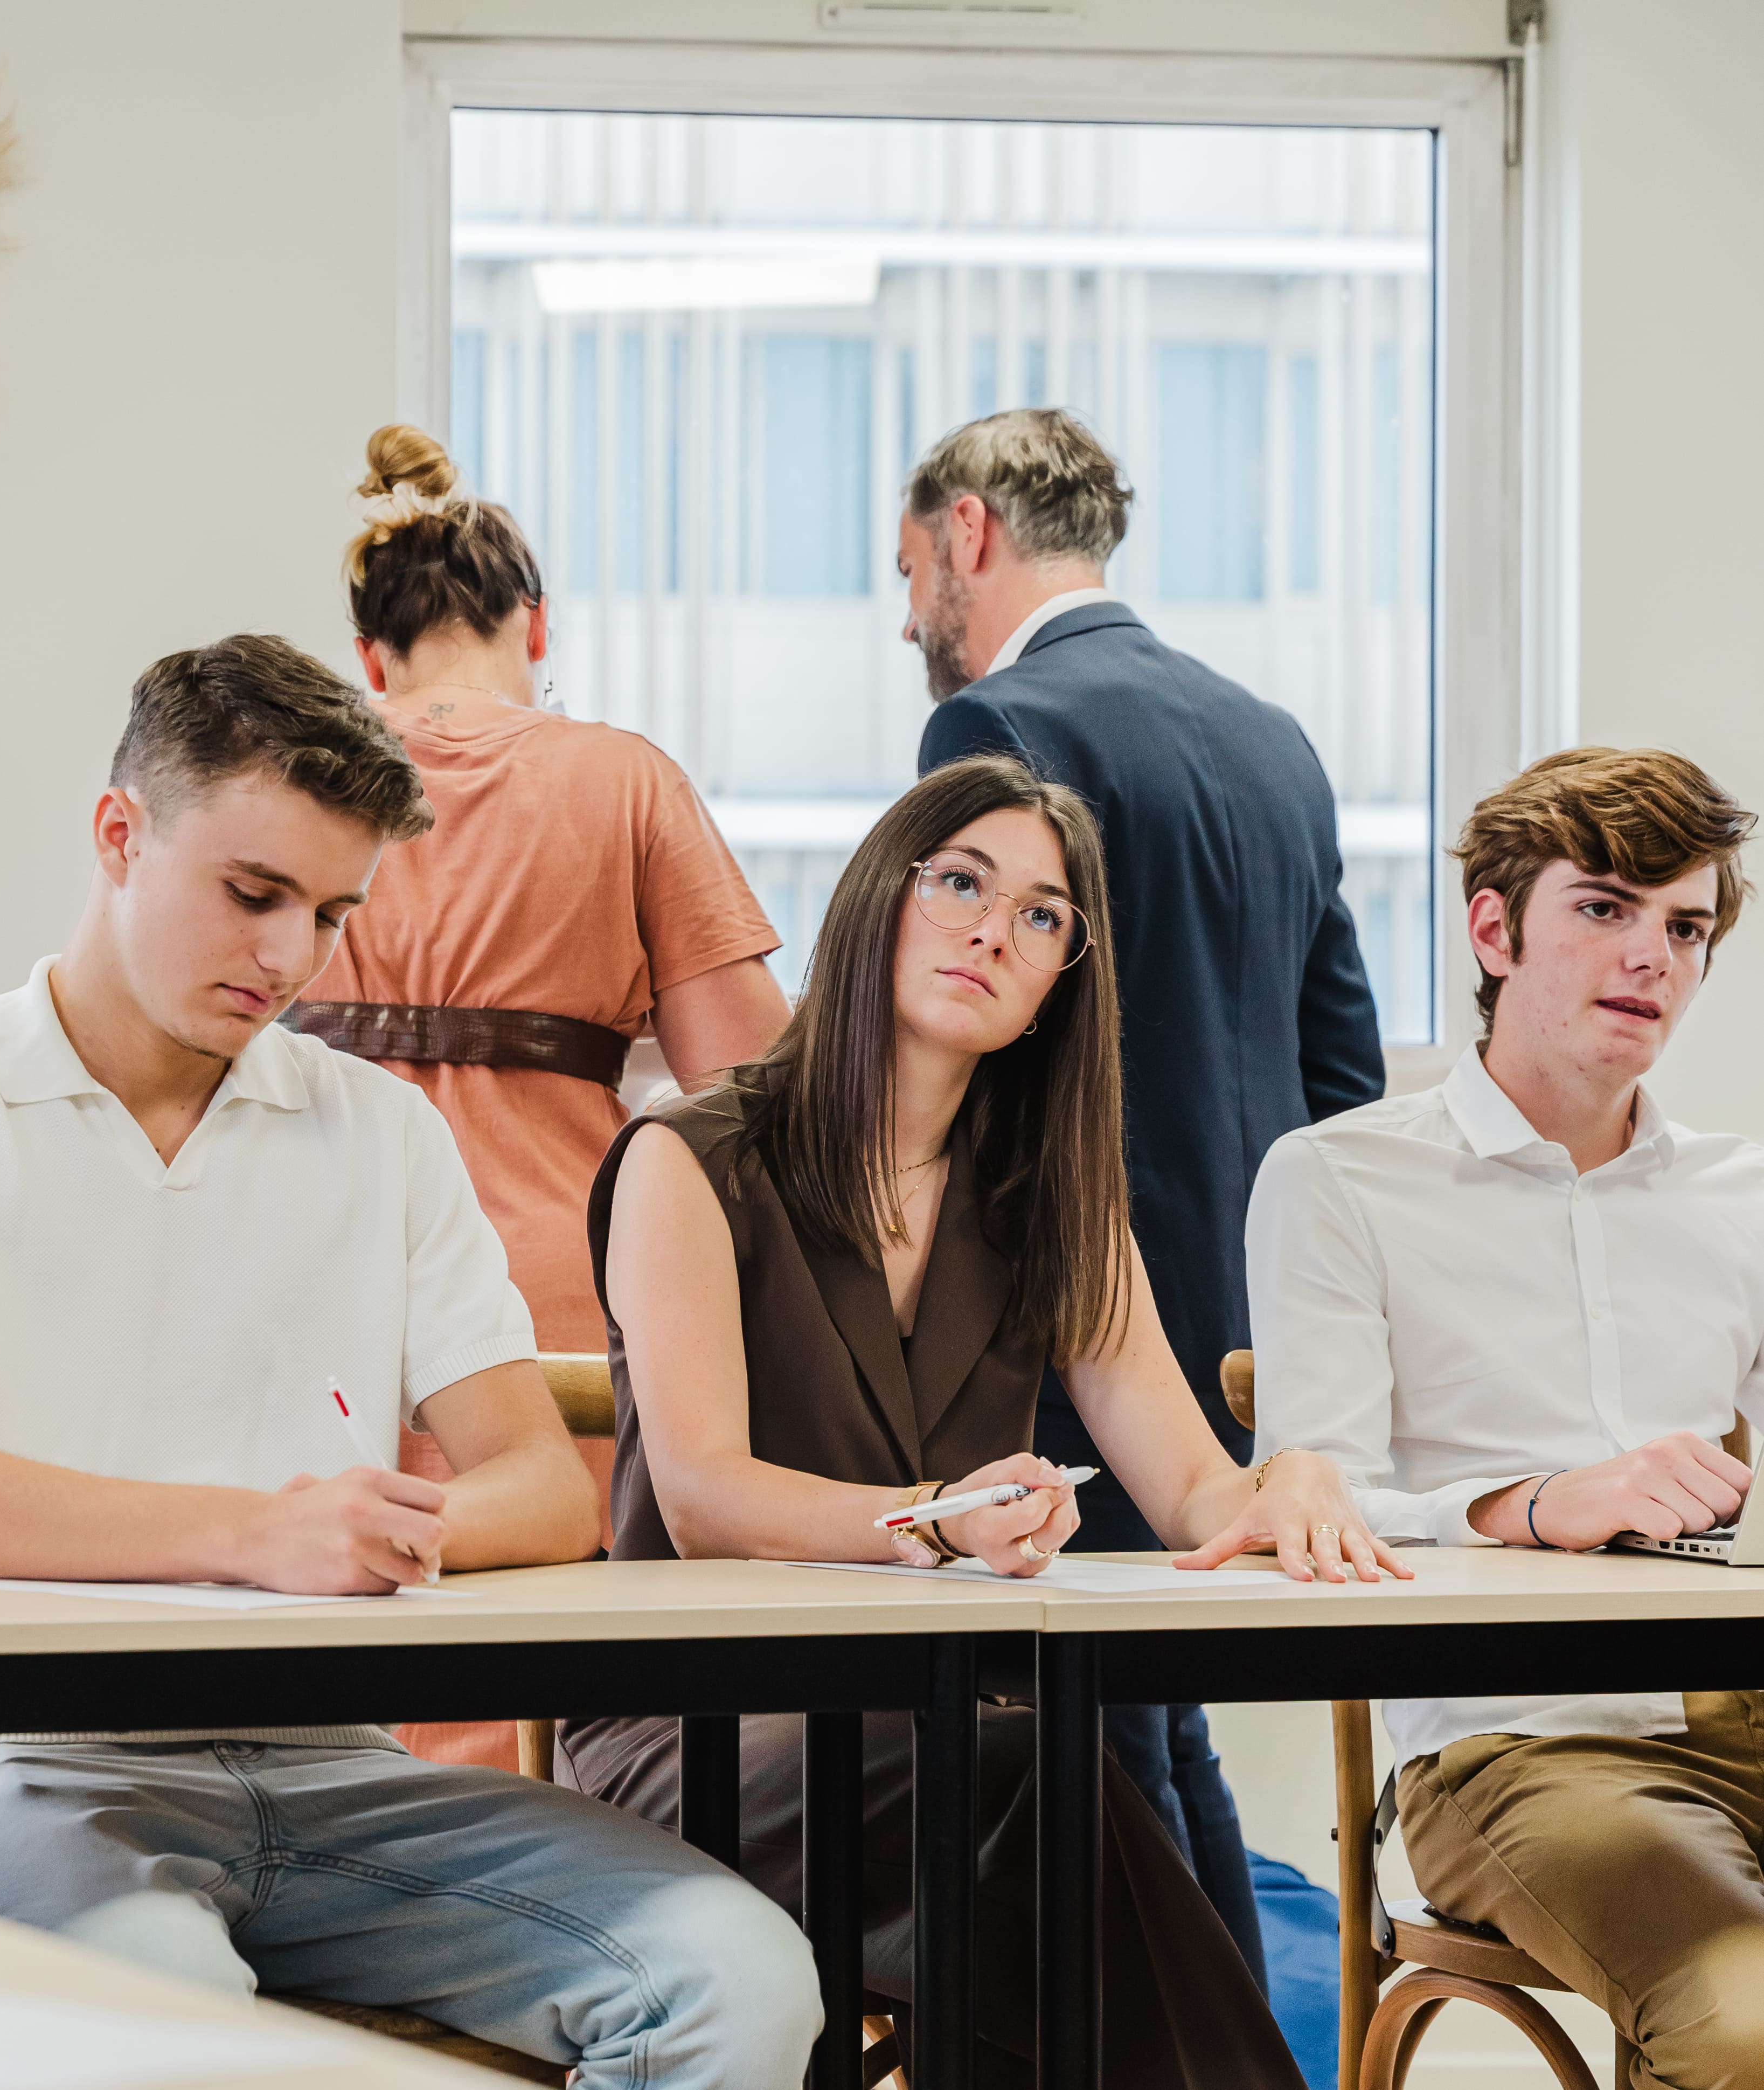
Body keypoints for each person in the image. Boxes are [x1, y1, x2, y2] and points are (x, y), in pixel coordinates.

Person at [0, 634, 821, 2087]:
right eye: (253, 893)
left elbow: (541, 1488)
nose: (291, 957)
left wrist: (377, 1531)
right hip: (16, 1768)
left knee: (737, 1971)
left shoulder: (382, 1133)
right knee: (169, 2019)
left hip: (335, 1765)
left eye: (334, 912)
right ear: (117, 835)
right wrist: (265, 1531)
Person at [562, 753, 1402, 2088]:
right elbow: (705, 1495)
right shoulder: (690, 1155)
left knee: (1033, 1826)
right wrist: (934, 1529)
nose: (987, 931)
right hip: (694, 1727)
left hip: (935, 1721)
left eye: (1038, 916)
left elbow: (1192, 1483)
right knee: (1039, 1784)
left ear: (1060, 977)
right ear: (877, 899)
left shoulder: (1047, 1194)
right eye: (958, 881)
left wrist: (1290, 1475)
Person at [905, 406, 1388, 1974]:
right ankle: (1236, 2040)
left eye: (910, 568)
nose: (905, 609)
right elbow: (1343, 1078)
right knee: (1151, 1727)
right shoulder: (1275, 739)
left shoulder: (998, 723)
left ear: (969, 533)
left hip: (1072, 1324)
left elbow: (972, 1056)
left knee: (1082, 1757)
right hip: (1244, 1337)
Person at [1249, 746, 1764, 2086]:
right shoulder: (1335, 1180)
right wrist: (1530, 1506)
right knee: (1744, 2018)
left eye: (1685, 926)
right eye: (1603, 906)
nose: (1651, 954)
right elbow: (1315, 1510)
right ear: (1491, 927)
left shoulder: (1746, 1192)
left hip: (1745, 1703)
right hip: (1520, 1742)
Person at [298, 424, 789, 1769]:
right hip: (554, 1303)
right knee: (537, 1669)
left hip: (314, 1270)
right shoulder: (622, 779)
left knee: (330, 1628)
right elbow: (758, 1097)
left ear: (367, 655)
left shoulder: (297, 777)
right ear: (535, 622)